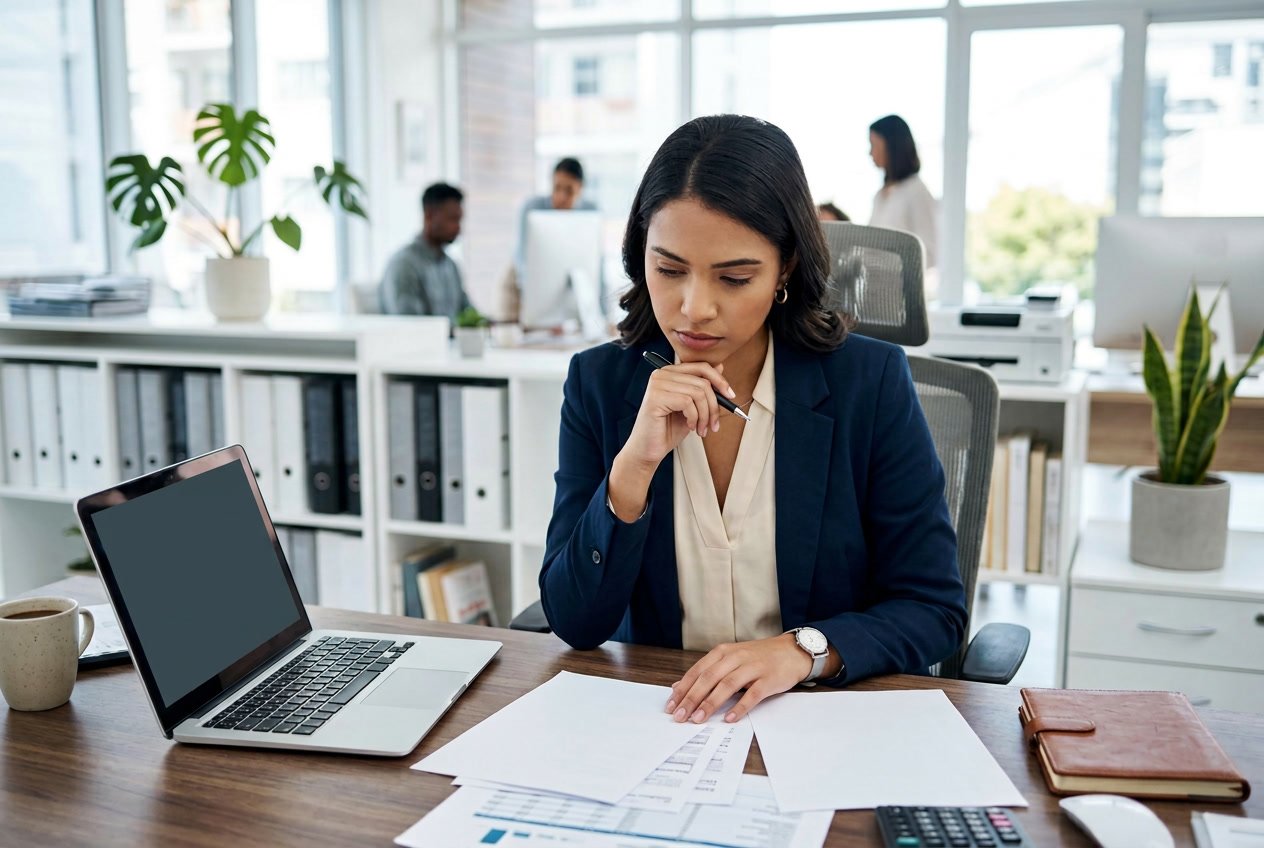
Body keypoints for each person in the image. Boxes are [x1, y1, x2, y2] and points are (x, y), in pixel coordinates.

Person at [539, 115, 966, 727]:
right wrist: (632, 467)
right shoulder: (600, 386)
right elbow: (574, 621)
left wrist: (802, 651)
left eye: (734, 278)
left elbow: (933, 608)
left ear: (785, 268)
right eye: (669, 269)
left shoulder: (867, 384)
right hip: (662, 724)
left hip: (819, 723)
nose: (694, 309)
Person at [379, 182, 471, 321]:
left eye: (460, 220)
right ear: (429, 215)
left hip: (450, 342)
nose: (458, 229)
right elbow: (410, 325)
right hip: (422, 342)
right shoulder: (404, 265)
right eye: (452, 219)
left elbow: (468, 313)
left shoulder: (450, 265)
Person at [868, 115, 938, 270]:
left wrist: (889, 267)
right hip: (875, 288)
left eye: (873, 145)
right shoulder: (879, 196)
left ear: (891, 145)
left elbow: (930, 254)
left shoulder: (916, 191)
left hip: (901, 290)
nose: (870, 153)